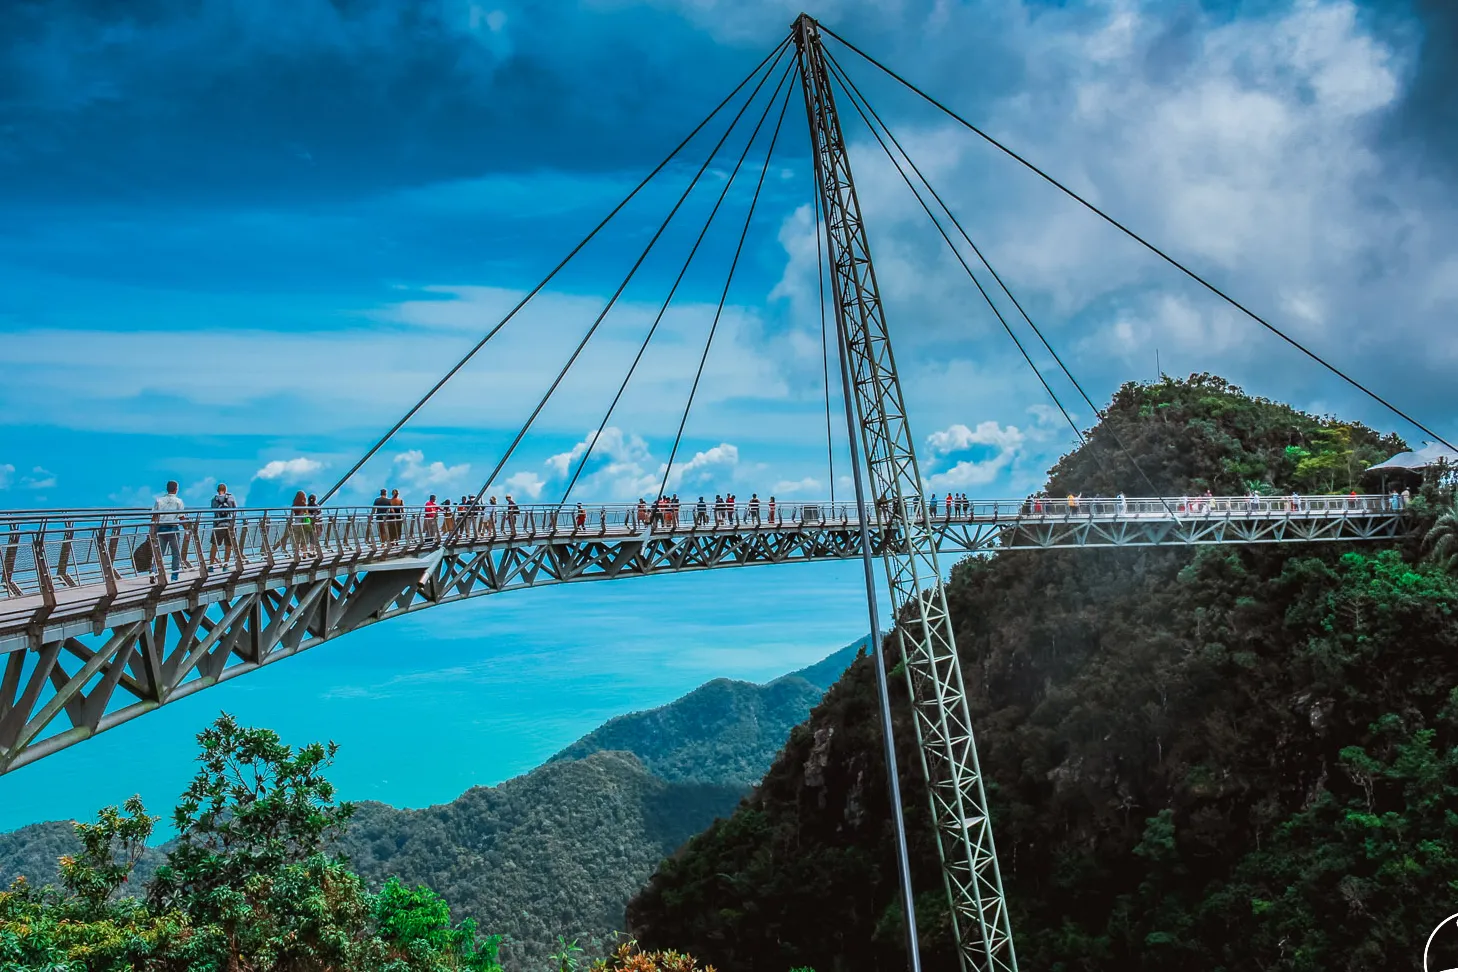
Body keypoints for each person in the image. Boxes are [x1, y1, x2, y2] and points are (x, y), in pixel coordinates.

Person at [152, 480, 186, 581]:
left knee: (159, 553)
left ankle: (154, 572)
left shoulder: (159, 500)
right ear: (176, 489)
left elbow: (154, 517)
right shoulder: (179, 501)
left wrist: (151, 530)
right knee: (175, 553)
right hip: (173, 528)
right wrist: (187, 530)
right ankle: (174, 576)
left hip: (160, 528)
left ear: (167, 489)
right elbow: (182, 517)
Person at [208, 482, 237, 566]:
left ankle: (211, 565)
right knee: (228, 545)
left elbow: (213, 510)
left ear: (217, 490)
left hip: (218, 525)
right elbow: (234, 509)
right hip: (229, 525)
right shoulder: (231, 498)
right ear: (225, 490)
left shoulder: (214, 499)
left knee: (214, 545)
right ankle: (225, 565)